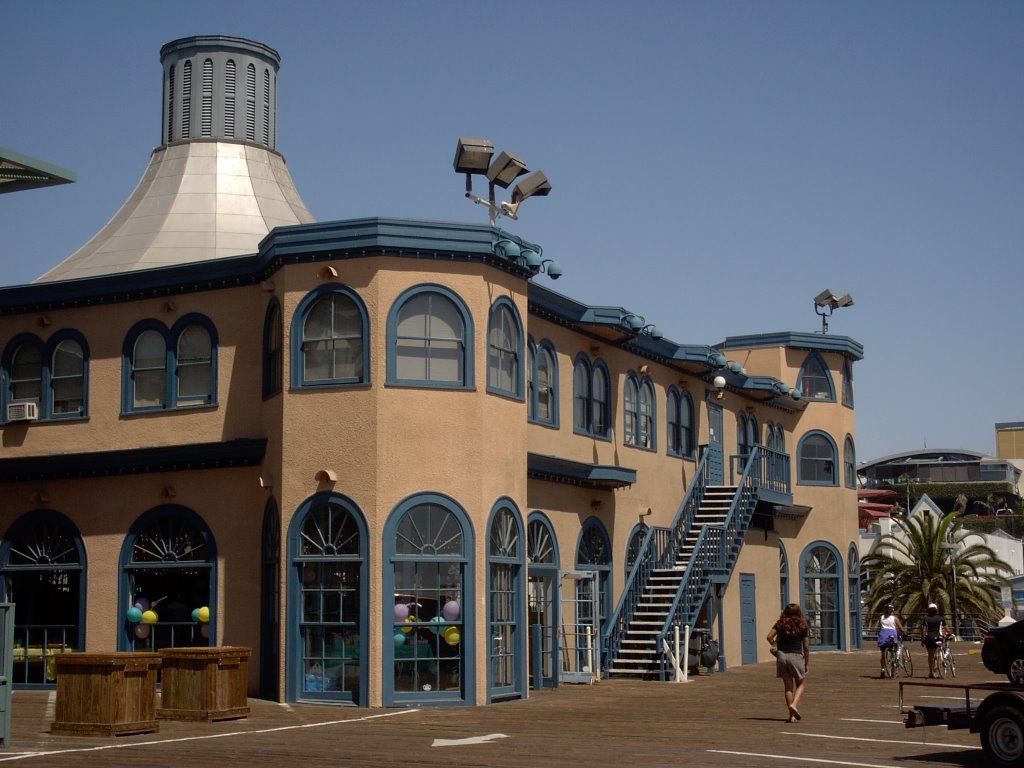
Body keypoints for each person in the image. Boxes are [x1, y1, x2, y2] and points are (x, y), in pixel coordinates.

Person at [766, 603, 810, 723]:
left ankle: (791, 716)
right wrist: (806, 662)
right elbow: (806, 647)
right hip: (796, 656)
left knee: (788, 687)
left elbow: (769, 637)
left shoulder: (780, 623)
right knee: (801, 684)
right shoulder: (802, 625)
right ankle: (794, 705)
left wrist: (776, 646)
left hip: (782, 656)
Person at [876, 603, 905, 678]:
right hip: (892, 635)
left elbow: (880, 626)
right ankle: (892, 672)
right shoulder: (894, 618)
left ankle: (882, 669)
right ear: (892, 610)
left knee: (883, 655)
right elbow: (901, 628)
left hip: (883, 635)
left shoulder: (881, 617)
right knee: (893, 654)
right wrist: (904, 633)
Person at [921, 603, 949, 678]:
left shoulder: (925, 619)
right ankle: (935, 671)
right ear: (936, 610)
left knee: (930, 655)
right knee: (935, 655)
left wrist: (923, 639)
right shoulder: (941, 618)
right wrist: (949, 633)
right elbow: (947, 629)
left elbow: (924, 630)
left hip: (929, 638)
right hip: (938, 637)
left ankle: (931, 671)